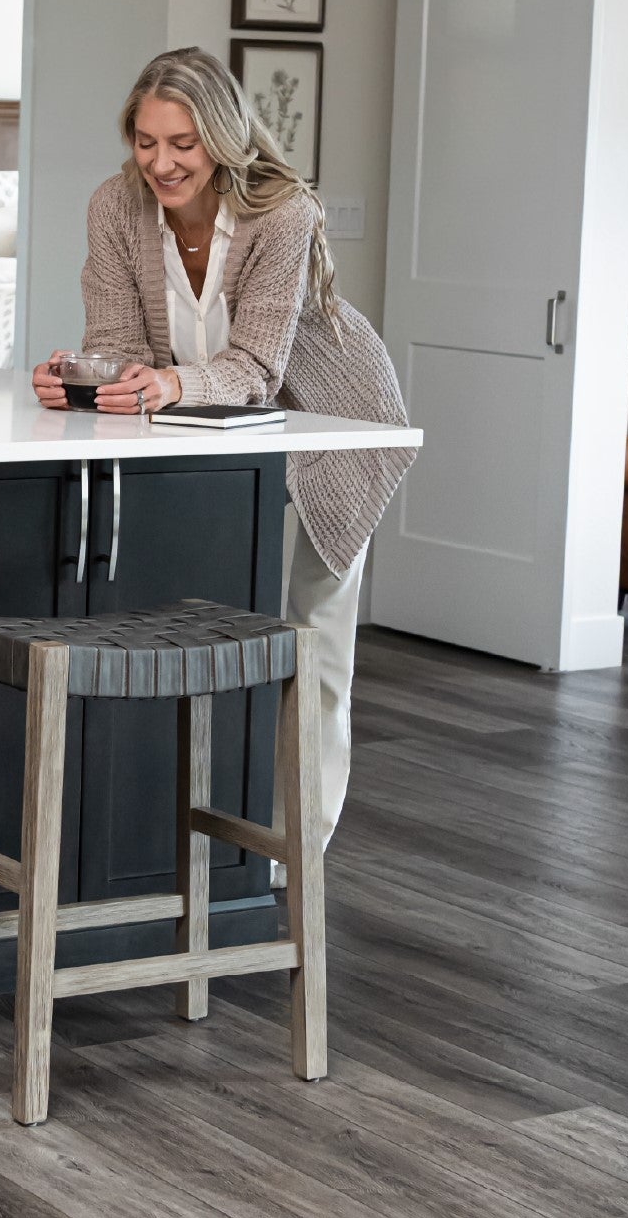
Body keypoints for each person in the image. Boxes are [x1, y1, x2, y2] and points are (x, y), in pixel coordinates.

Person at [33, 46, 415, 859]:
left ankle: (290, 861)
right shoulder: (115, 205)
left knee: (312, 638)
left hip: (328, 420)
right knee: (205, 627)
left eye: (182, 144)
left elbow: (257, 366)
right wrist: (80, 376)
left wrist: (164, 384)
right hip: (206, 426)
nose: (161, 163)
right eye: (145, 141)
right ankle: (197, 843)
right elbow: (115, 341)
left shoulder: (283, 215)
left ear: (221, 138)